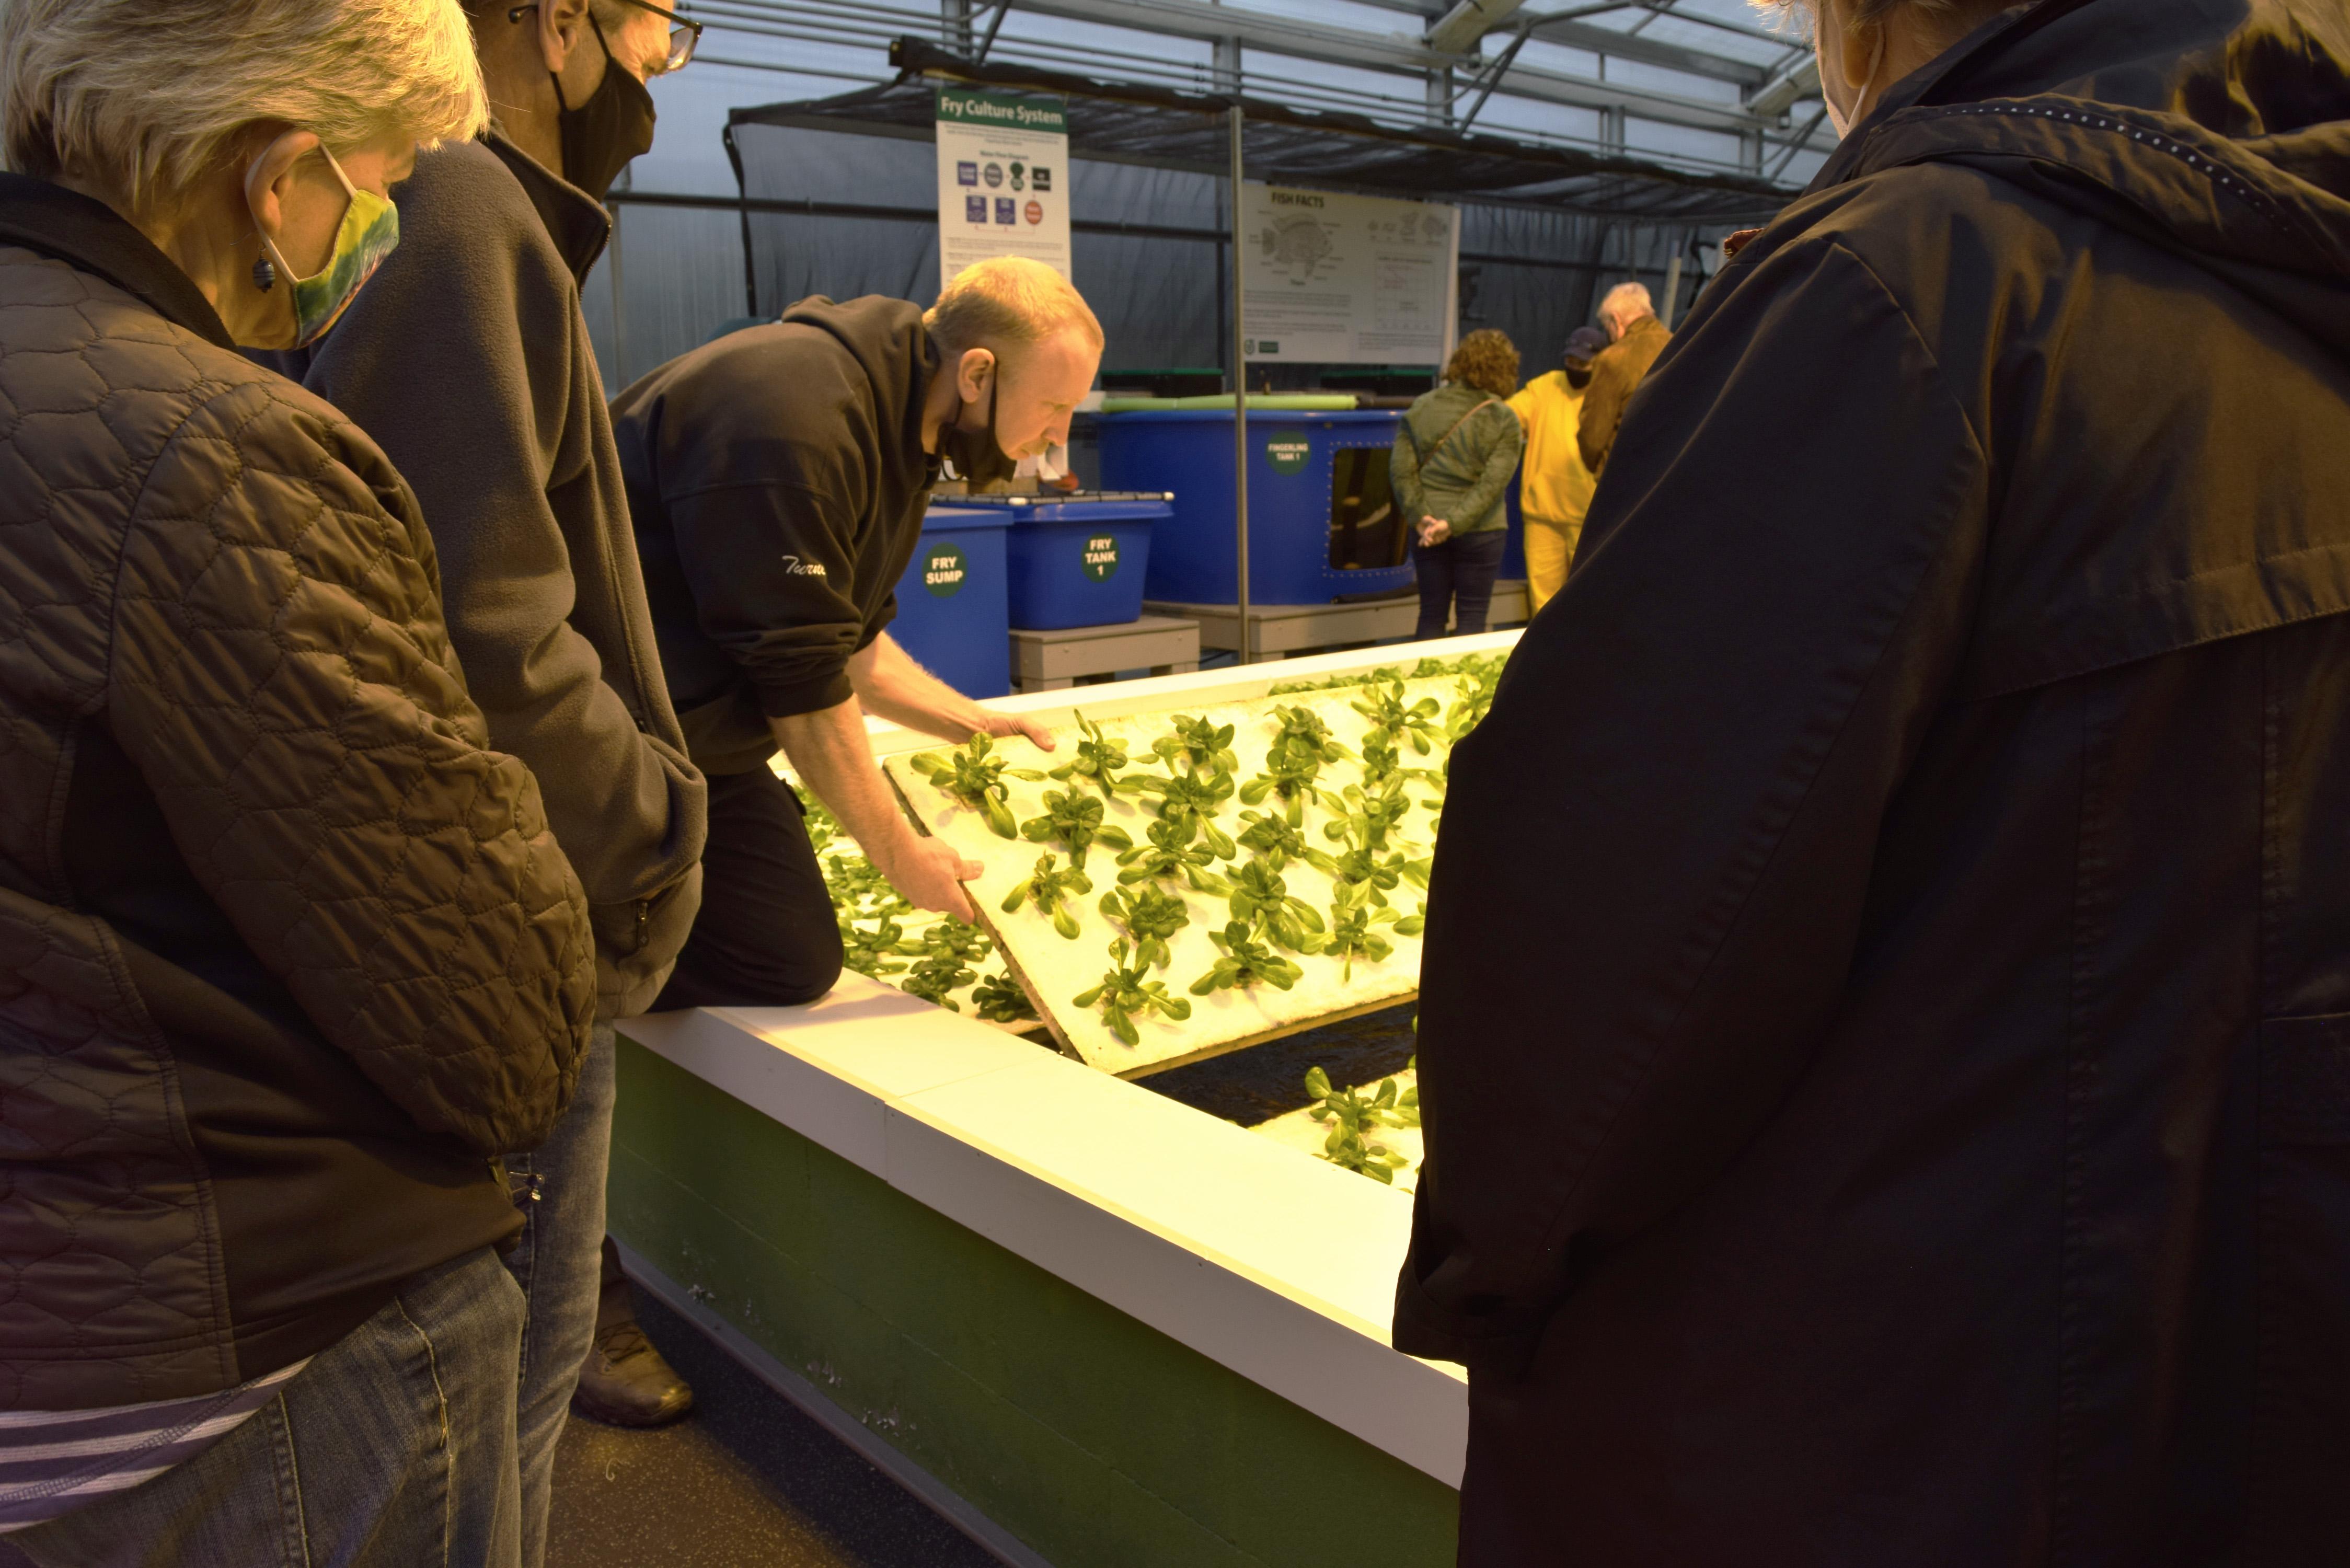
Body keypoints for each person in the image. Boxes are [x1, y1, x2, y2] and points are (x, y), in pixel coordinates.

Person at [1396, 0, 2350, 1561]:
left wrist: (1488, 1275)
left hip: (1885, 1401)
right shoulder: (2297, 284)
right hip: (2233, 1354)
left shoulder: (1904, 283)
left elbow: (1603, 937)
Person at [0, 1, 601, 1561]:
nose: (383, 229)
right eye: (384, 178)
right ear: (278, 179)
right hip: (244, 1362)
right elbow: (485, 1003)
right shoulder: (215, 450)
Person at [263, 0, 712, 1482]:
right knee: (497, 1429)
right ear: (560, 21)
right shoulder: (452, 200)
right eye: (661, 25)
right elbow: (483, 630)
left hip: (440, 911)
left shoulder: (437, 211)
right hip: (504, 927)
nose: (662, 66)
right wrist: (648, 832)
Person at [612, 258, 1097, 996]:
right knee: (762, 958)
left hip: (704, 736)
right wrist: (906, 859)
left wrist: (967, 723)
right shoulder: (791, 415)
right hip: (610, 733)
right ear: (978, 374)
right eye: (1053, 408)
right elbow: (801, 681)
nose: (1055, 438)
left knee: (790, 955)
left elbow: (852, 641)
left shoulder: (905, 422)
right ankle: (547, 950)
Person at [1392, 329, 1526, 640]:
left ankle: (1421, 686)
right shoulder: (1504, 419)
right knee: (1473, 617)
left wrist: (1422, 517)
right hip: (1482, 532)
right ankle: (1466, 690)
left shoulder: (1421, 407)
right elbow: (1493, 484)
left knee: (1430, 614)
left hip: (1427, 531)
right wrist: (1453, 524)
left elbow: (1401, 472)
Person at [1505, 325, 1606, 612]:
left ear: (1600, 361)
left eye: (1582, 363)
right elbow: (1510, 416)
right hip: (1543, 515)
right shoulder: (1546, 386)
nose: (1574, 368)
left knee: (1588, 600)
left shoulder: (1606, 393)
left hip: (1588, 517)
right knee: (1543, 603)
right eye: (1570, 361)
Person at [1574, 280, 1671, 475]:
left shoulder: (1614, 359)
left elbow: (1593, 437)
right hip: (1671, 475)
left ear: (1616, 321)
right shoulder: (1680, 344)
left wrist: (1600, 469)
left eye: (1606, 327)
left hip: (1625, 475)